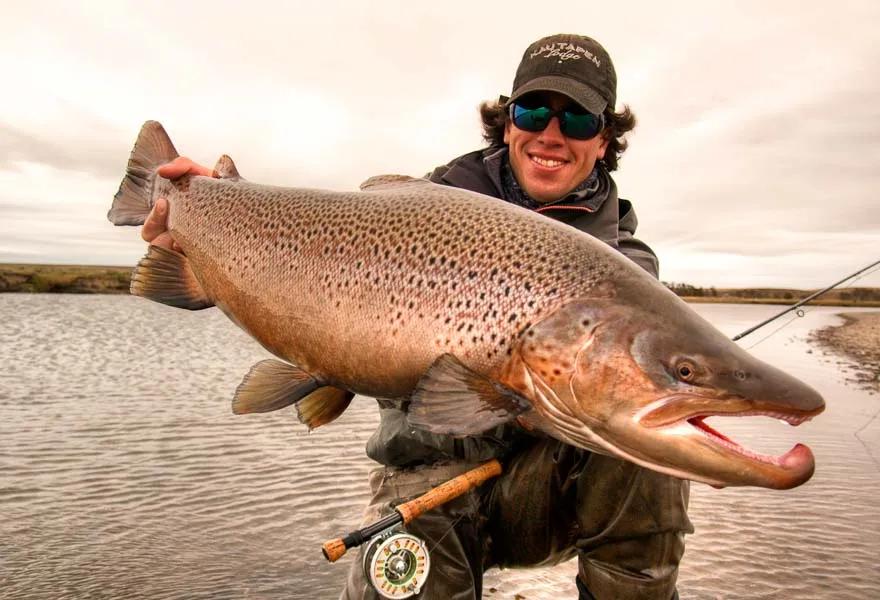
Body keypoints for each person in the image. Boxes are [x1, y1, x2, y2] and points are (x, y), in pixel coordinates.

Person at [142, 33, 692, 600]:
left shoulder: (627, 269)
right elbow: (306, 254)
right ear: (508, 124)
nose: (551, 134)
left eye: (577, 120)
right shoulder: (424, 209)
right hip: (423, 478)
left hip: (546, 491)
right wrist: (210, 206)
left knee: (653, 439)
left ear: (604, 141)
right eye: (533, 111)